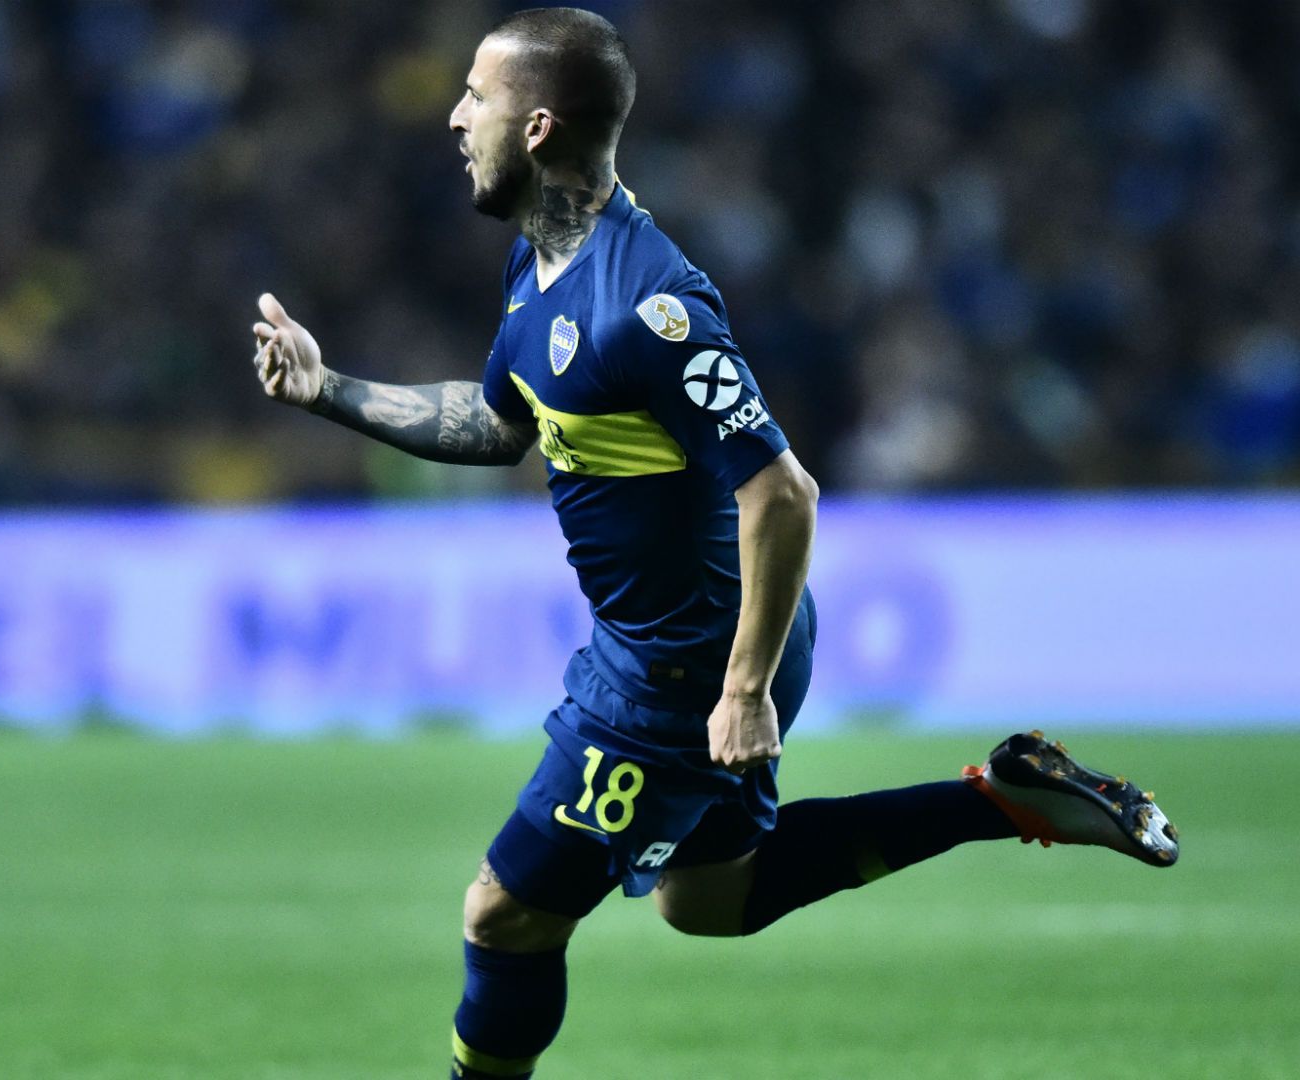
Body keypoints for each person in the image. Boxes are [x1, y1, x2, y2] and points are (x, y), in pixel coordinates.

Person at [249, 9, 1179, 1077]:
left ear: (539, 125)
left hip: (684, 670)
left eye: (477, 96)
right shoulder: (537, 268)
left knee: (505, 914)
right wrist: (329, 391)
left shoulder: (650, 305)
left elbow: (784, 492)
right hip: (674, 647)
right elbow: (502, 422)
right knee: (712, 902)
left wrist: (739, 691)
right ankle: (1006, 799)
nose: (455, 117)